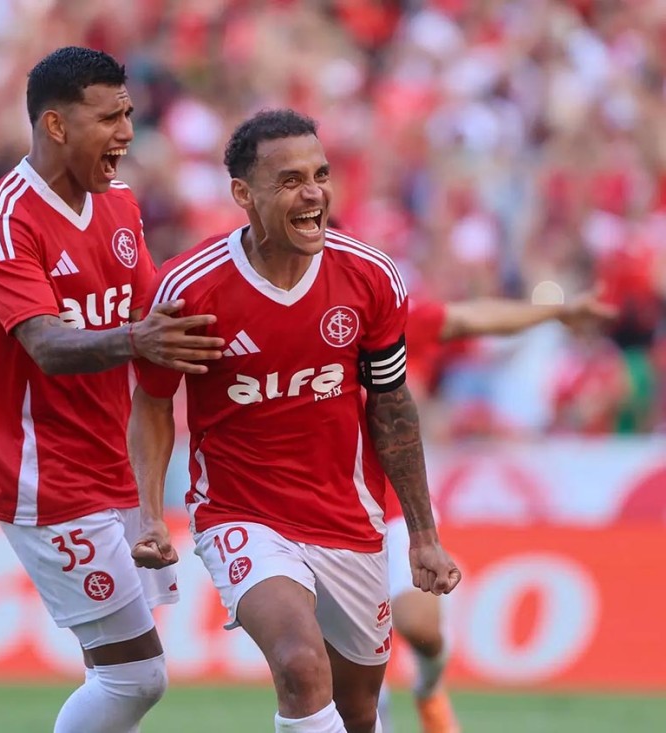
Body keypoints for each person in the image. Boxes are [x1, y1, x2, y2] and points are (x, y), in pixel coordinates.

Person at [129, 109, 460, 733]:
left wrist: (422, 534)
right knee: (301, 665)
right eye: (289, 181)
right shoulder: (189, 289)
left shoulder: (370, 277)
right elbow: (151, 403)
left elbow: (392, 407)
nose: (313, 194)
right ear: (243, 194)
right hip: (241, 513)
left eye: (320, 175)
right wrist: (148, 514)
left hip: (348, 518)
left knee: (358, 710)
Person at [0, 46, 224, 733]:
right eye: (109, 118)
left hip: (114, 464)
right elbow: (47, 346)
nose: (127, 133)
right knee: (135, 676)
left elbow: (156, 316)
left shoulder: (120, 205)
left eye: (128, 115)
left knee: (116, 674)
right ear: (56, 125)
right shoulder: (5, 220)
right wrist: (139, 340)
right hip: (45, 474)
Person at [378, 291, 616, 733]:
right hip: (318, 512)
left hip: (392, 504)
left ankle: (429, 688)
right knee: (351, 666)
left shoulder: (375, 312)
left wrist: (556, 311)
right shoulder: (283, 326)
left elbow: (471, 316)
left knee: (420, 626)